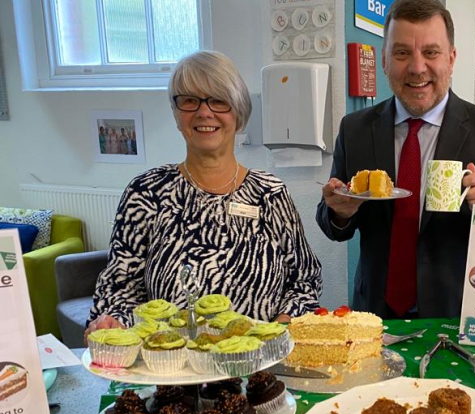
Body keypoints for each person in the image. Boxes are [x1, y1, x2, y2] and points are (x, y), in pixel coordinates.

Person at [316, 0, 475, 319]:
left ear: (451, 59)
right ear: (385, 61)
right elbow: (333, 225)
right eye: (402, 53)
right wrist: (339, 212)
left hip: (459, 313)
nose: (417, 68)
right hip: (376, 313)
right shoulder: (355, 129)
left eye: (431, 52)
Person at [86, 50, 322, 337]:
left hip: (258, 367)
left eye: (219, 100)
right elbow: (118, 289)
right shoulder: (146, 193)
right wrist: (113, 322)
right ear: (176, 114)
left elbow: (305, 281)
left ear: (239, 111)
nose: (204, 112)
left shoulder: (270, 194)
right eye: (189, 100)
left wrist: (278, 332)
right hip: (172, 367)